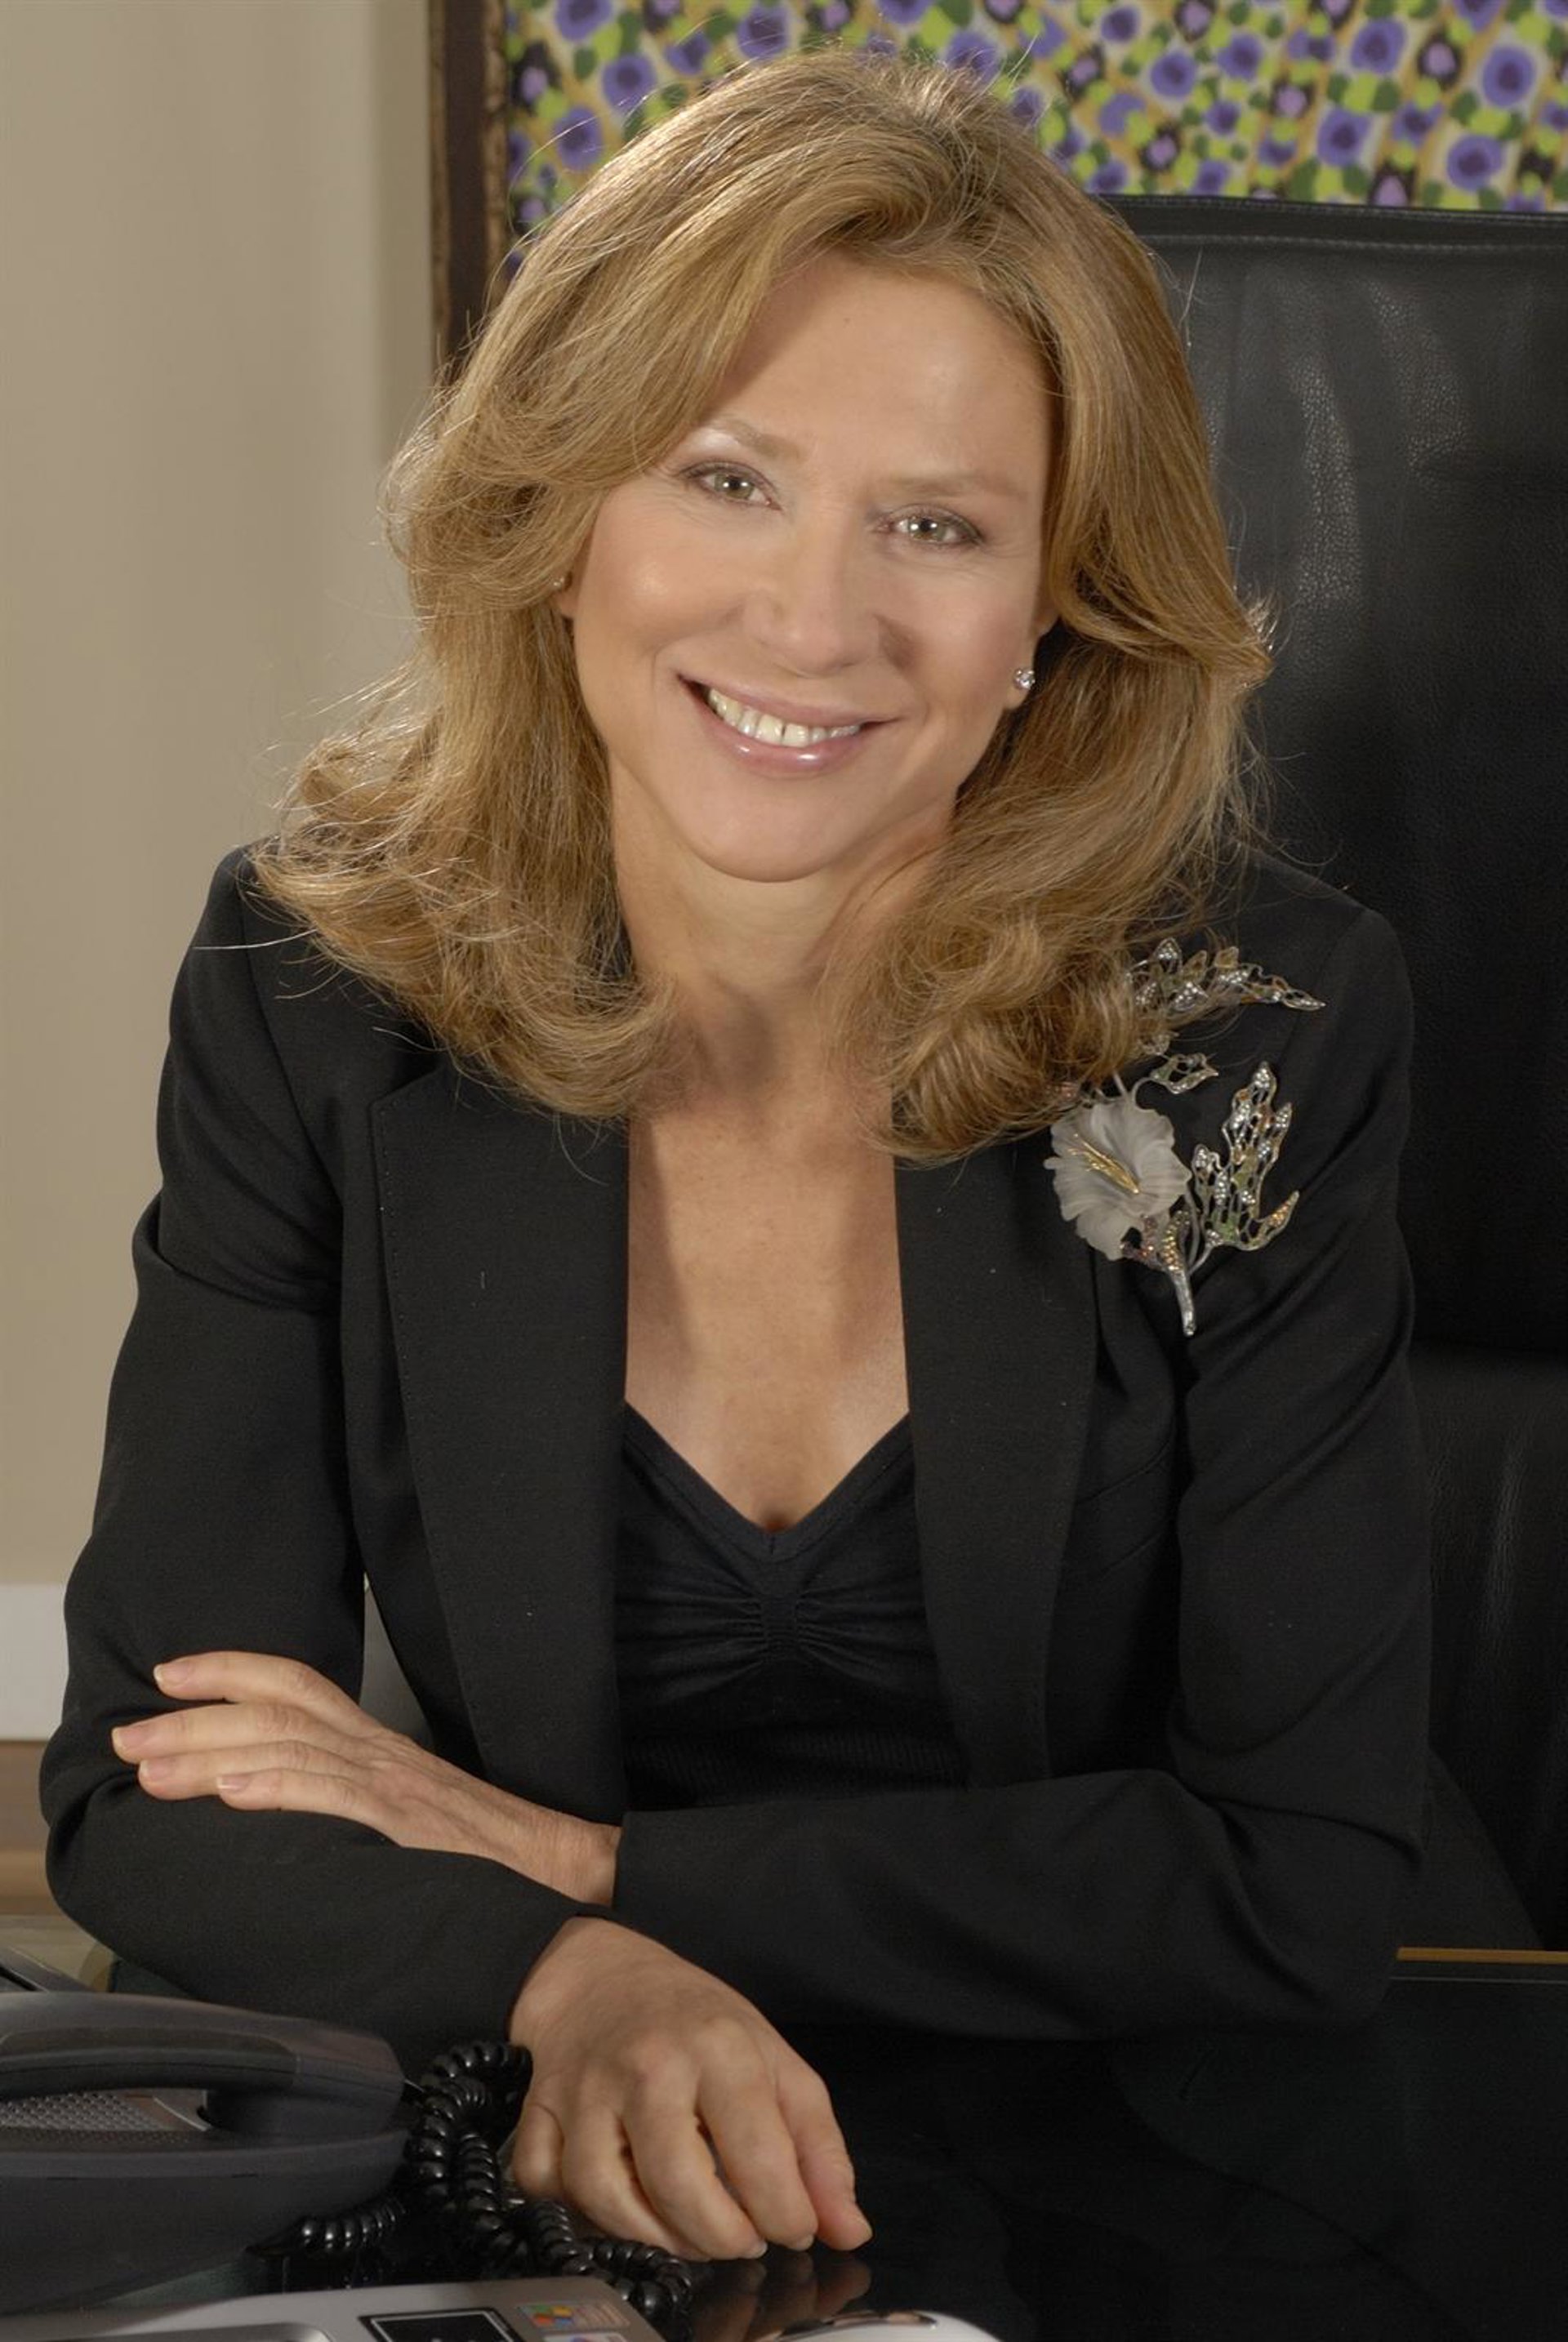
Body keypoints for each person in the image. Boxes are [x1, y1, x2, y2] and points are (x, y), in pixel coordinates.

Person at [40, 41, 1529, 2275]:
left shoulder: (1250, 1036)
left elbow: (1286, 1877)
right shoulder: (318, 989)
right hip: (594, 2117)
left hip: (1198, 2119)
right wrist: (571, 1981)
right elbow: (151, 1789)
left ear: (1052, 613)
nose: (815, 621)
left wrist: (590, 1873)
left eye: (937, 526)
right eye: (726, 478)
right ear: (565, 516)